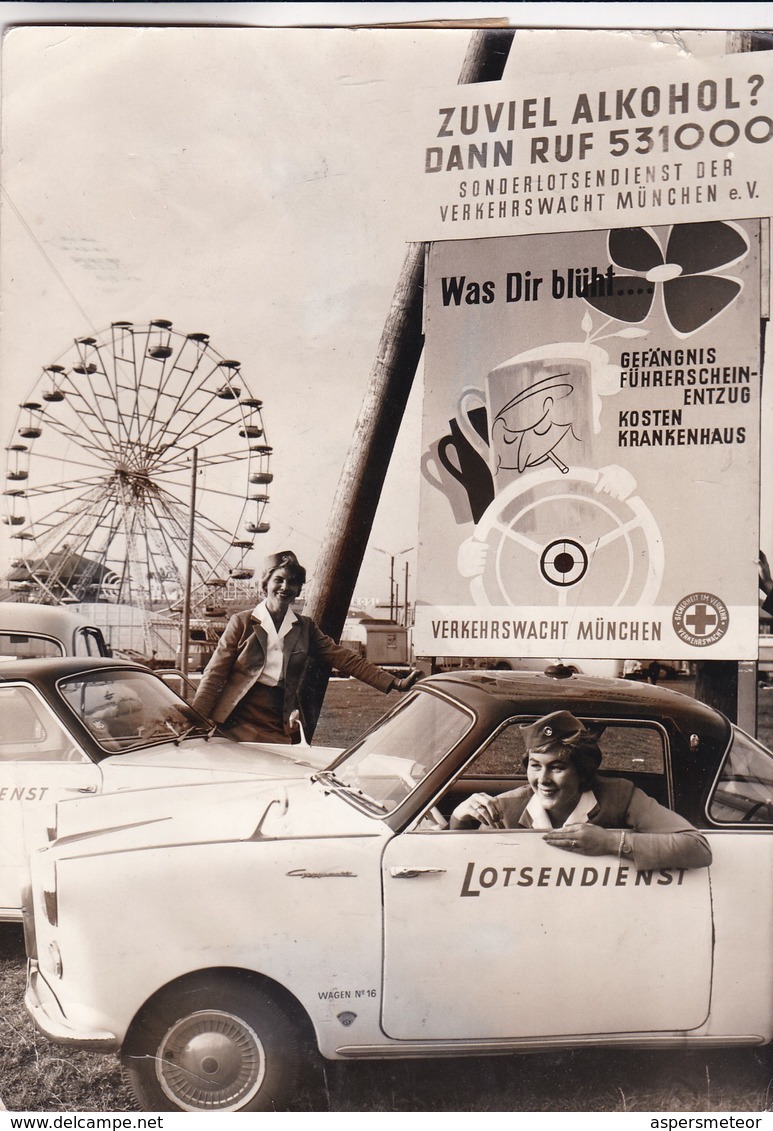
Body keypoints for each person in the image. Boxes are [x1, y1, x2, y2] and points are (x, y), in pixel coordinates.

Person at [192, 550, 420, 743]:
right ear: (265, 584)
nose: (285, 587)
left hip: (276, 721)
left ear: (300, 589)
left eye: (293, 582)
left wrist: (395, 682)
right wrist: (195, 721)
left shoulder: (304, 628)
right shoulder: (241, 622)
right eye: (279, 580)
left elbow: (344, 658)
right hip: (234, 719)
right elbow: (214, 674)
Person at [450, 709, 712, 871]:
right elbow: (467, 867)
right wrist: (458, 820)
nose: (543, 779)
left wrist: (611, 842)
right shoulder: (507, 808)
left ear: (582, 770)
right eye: (535, 766)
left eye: (557, 767)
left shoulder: (620, 796)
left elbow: (697, 847)